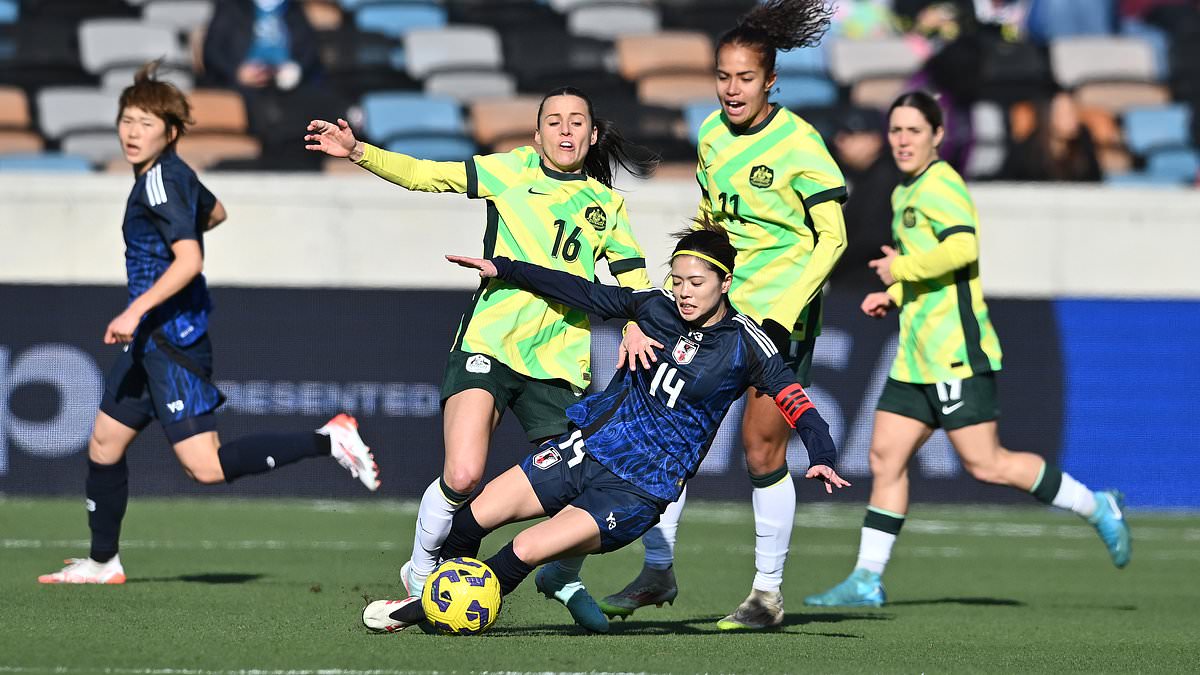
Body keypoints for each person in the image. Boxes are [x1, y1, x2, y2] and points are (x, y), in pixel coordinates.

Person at [361, 224, 850, 634]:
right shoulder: (655, 306)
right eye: (677, 279)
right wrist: (506, 268)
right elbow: (584, 291)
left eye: (696, 282)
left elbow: (797, 403)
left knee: (523, 550)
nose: (683, 291)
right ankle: (442, 603)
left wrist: (822, 453)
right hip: (586, 449)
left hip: (637, 489)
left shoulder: (747, 344)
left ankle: (424, 612)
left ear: (725, 283)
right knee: (470, 521)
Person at [303, 87, 657, 632]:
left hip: (560, 363)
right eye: (554, 122)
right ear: (537, 135)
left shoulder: (606, 205)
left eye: (576, 123)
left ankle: (561, 575)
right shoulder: (508, 171)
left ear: (591, 136)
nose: (565, 131)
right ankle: (422, 574)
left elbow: (635, 280)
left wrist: (637, 324)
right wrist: (358, 151)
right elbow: (426, 175)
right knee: (463, 473)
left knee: (578, 489)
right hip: (490, 343)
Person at [38, 62, 379, 585]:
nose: (132, 132)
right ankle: (103, 562)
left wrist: (134, 308)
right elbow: (215, 213)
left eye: (146, 123)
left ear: (171, 132)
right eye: (127, 120)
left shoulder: (160, 185)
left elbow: (189, 260)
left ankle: (329, 439)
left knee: (206, 468)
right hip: (151, 341)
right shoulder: (171, 175)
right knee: (104, 444)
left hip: (170, 343)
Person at [803, 91, 1132, 608]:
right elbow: (929, 264)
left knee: (989, 465)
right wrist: (894, 293)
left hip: (954, 351)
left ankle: (1097, 506)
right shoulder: (903, 192)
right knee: (885, 457)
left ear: (937, 135)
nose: (902, 141)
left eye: (914, 130)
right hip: (916, 354)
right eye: (895, 131)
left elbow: (962, 249)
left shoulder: (942, 185)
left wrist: (902, 271)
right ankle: (867, 579)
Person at [595, 0, 849, 631]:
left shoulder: (799, 145)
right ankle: (658, 571)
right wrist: (688, 275)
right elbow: (713, 223)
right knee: (671, 437)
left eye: (745, 78)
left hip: (777, 318)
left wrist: (786, 312)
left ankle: (766, 595)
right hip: (718, 312)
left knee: (763, 453)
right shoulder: (710, 134)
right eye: (724, 76)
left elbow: (835, 238)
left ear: (770, 82)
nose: (732, 89)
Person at [1000, 90, 1102, 182]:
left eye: (1074, 111)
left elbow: (1095, 180)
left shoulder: (1084, 140)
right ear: (1048, 116)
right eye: (1065, 113)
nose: (1073, 119)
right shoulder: (1027, 151)